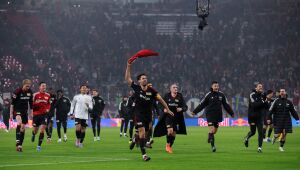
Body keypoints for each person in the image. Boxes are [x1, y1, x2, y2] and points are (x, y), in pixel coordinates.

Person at [125, 60, 174, 161]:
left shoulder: (152, 91)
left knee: (143, 134)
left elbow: (161, 100)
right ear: (139, 81)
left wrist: (168, 109)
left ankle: (135, 139)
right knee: (142, 133)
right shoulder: (137, 88)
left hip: (148, 116)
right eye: (142, 78)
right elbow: (127, 79)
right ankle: (144, 155)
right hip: (138, 114)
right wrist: (128, 66)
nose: (144, 80)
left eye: (145, 78)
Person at [192, 81, 234, 152]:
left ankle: (210, 135)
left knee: (214, 131)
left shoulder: (221, 95)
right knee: (211, 130)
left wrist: (231, 113)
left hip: (218, 115)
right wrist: (195, 111)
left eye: (217, 86)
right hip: (210, 114)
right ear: (212, 87)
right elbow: (202, 104)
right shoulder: (208, 95)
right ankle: (213, 146)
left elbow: (226, 105)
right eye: (215, 86)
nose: (216, 87)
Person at [154, 83, 188, 153]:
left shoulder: (180, 96)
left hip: (177, 117)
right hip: (168, 116)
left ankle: (169, 145)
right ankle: (167, 145)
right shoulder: (167, 96)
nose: (176, 88)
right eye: (174, 87)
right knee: (170, 130)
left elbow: (185, 107)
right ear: (170, 89)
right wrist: (164, 109)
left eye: (176, 87)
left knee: (174, 134)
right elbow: (160, 104)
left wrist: (181, 109)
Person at [10, 79, 33, 152]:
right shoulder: (17, 92)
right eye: (27, 86)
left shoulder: (30, 92)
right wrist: (11, 113)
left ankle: (20, 145)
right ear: (23, 85)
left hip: (24, 112)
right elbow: (12, 104)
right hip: (17, 110)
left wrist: (31, 113)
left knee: (23, 128)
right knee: (19, 123)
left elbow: (31, 104)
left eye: (29, 86)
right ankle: (17, 140)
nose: (28, 88)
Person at [244, 83, 267, 153]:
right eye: (259, 87)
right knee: (253, 132)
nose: (261, 88)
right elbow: (254, 105)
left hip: (259, 117)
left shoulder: (263, 95)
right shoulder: (252, 95)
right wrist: (263, 102)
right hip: (252, 117)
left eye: (261, 87)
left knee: (261, 132)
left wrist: (265, 103)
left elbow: (265, 106)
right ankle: (246, 138)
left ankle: (259, 148)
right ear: (256, 88)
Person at [31, 82, 51, 152]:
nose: (44, 87)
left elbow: (49, 103)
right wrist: (36, 103)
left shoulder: (48, 95)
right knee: (35, 131)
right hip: (36, 115)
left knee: (42, 130)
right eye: (42, 86)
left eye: (45, 86)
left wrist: (48, 108)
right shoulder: (35, 95)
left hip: (44, 115)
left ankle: (39, 146)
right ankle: (33, 134)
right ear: (39, 87)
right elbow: (31, 105)